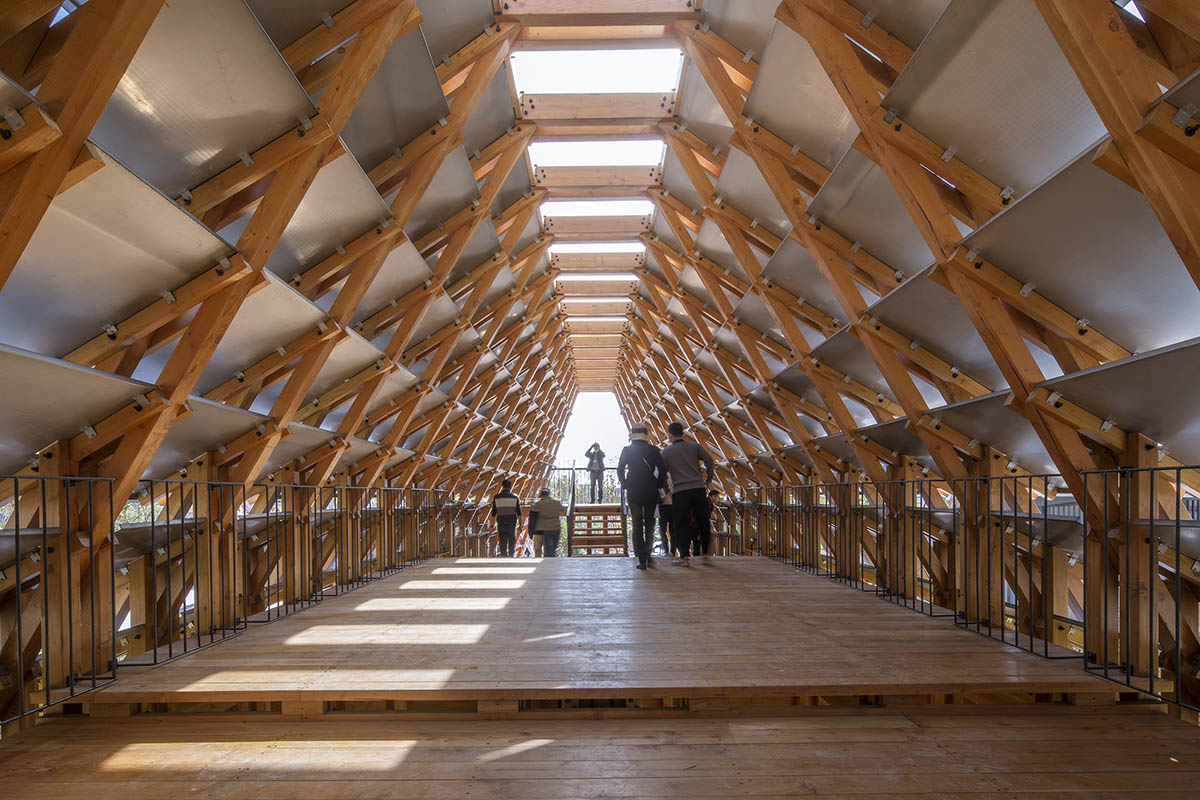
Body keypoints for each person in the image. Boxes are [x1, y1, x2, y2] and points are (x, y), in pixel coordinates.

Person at [661, 421, 715, 567]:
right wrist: (708, 479)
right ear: (683, 433)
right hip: (698, 488)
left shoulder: (666, 452)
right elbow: (710, 461)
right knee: (702, 520)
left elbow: (661, 473)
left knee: (681, 523)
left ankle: (684, 556)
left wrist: (667, 490)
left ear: (669, 434)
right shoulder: (694, 446)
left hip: (680, 491)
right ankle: (705, 552)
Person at [617, 422, 667, 570]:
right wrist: (657, 484)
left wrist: (625, 483)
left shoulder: (626, 450)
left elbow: (620, 469)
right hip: (650, 488)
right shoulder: (653, 449)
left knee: (637, 523)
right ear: (645, 436)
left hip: (633, 489)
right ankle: (648, 553)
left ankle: (641, 558)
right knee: (650, 523)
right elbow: (662, 470)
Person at [528, 488, 565, 557]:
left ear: (541, 495)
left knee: (538, 550)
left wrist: (530, 532)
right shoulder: (557, 503)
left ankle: (541, 563)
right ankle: (550, 563)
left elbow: (531, 519)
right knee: (551, 549)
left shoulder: (537, 505)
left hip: (540, 529)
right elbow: (562, 509)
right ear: (549, 494)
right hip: (555, 527)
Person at [491, 478, 521, 558]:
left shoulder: (496, 497)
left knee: (502, 542)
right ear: (510, 486)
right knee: (512, 541)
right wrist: (520, 525)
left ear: (502, 486)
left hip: (501, 522)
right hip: (512, 523)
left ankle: (503, 558)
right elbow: (519, 513)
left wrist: (491, 525)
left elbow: (493, 513)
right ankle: (511, 557)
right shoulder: (515, 497)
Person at [657, 473, 673, 558]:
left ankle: (671, 551)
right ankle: (667, 551)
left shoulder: (669, 474)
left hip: (670, 505)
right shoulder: (669, 475)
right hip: (664, 505)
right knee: (664, 530)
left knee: (670, 530)